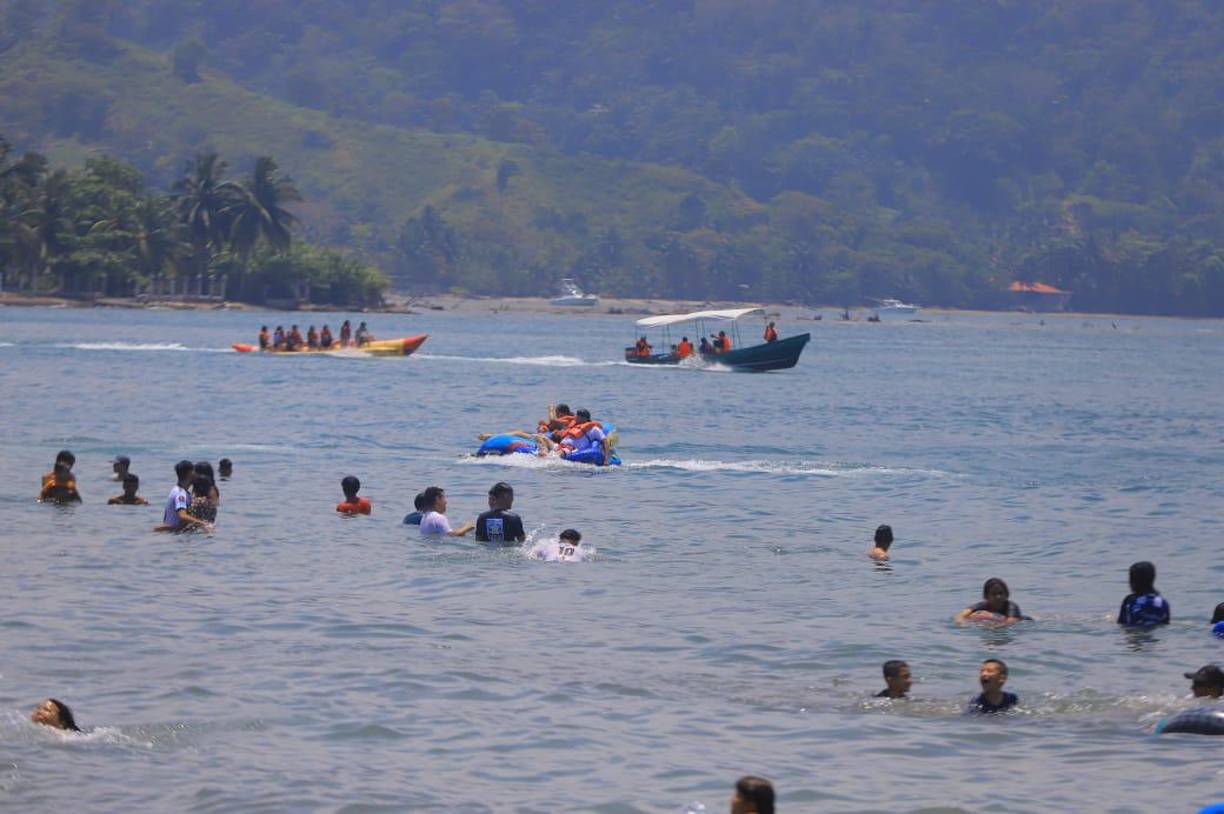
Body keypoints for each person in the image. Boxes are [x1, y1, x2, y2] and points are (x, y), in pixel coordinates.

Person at [155, 459, 209, 532]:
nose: (196, 475)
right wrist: (203, 524)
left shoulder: (182, 492)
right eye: (194, 472)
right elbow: (182, 515)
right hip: (173, 534)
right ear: (190, 473)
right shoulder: (180, 493)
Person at [955, 577, 1029, 625]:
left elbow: (1011, 622)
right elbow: (960, 614)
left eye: (1001, 593)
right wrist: (963, 622)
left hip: (1026, 621)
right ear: (986, 596)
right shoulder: (982, 605)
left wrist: (992, 617)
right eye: (994, 594)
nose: (998, 597)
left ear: (1006, 594)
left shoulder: (1012, 606)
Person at [1117, 560, 1170, 626]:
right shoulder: (1162, 602)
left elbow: (1122, 623)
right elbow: (1166, 624)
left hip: (1135, 633)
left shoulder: (1130, 600)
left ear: (1133, 582)